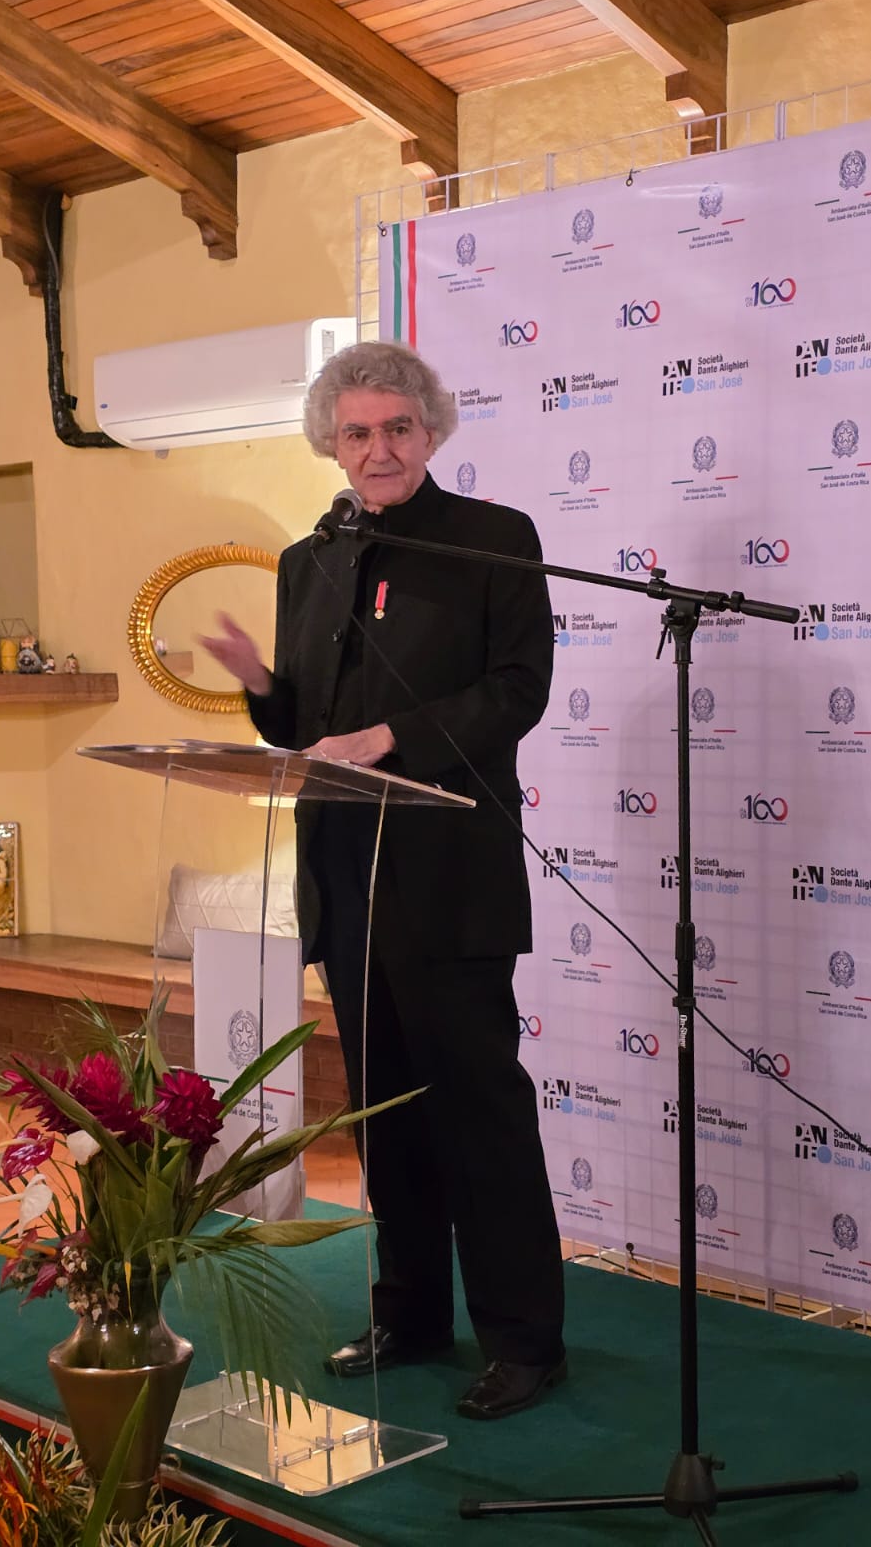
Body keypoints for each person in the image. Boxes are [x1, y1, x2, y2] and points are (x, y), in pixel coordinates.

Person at [200, 339, 566, 1420]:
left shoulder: (495, 539)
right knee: (383, 1113)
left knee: (478, 1115)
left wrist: (394, 735)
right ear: (331, 444)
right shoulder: (308, 561)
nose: (378, 448)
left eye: (397, 427)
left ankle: (525, 1341)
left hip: (449, 877)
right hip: (345, 875)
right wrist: (261, 685)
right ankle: (409, 1314)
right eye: (356, 433)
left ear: (431, 430)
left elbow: (519, 689)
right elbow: (307, 725)